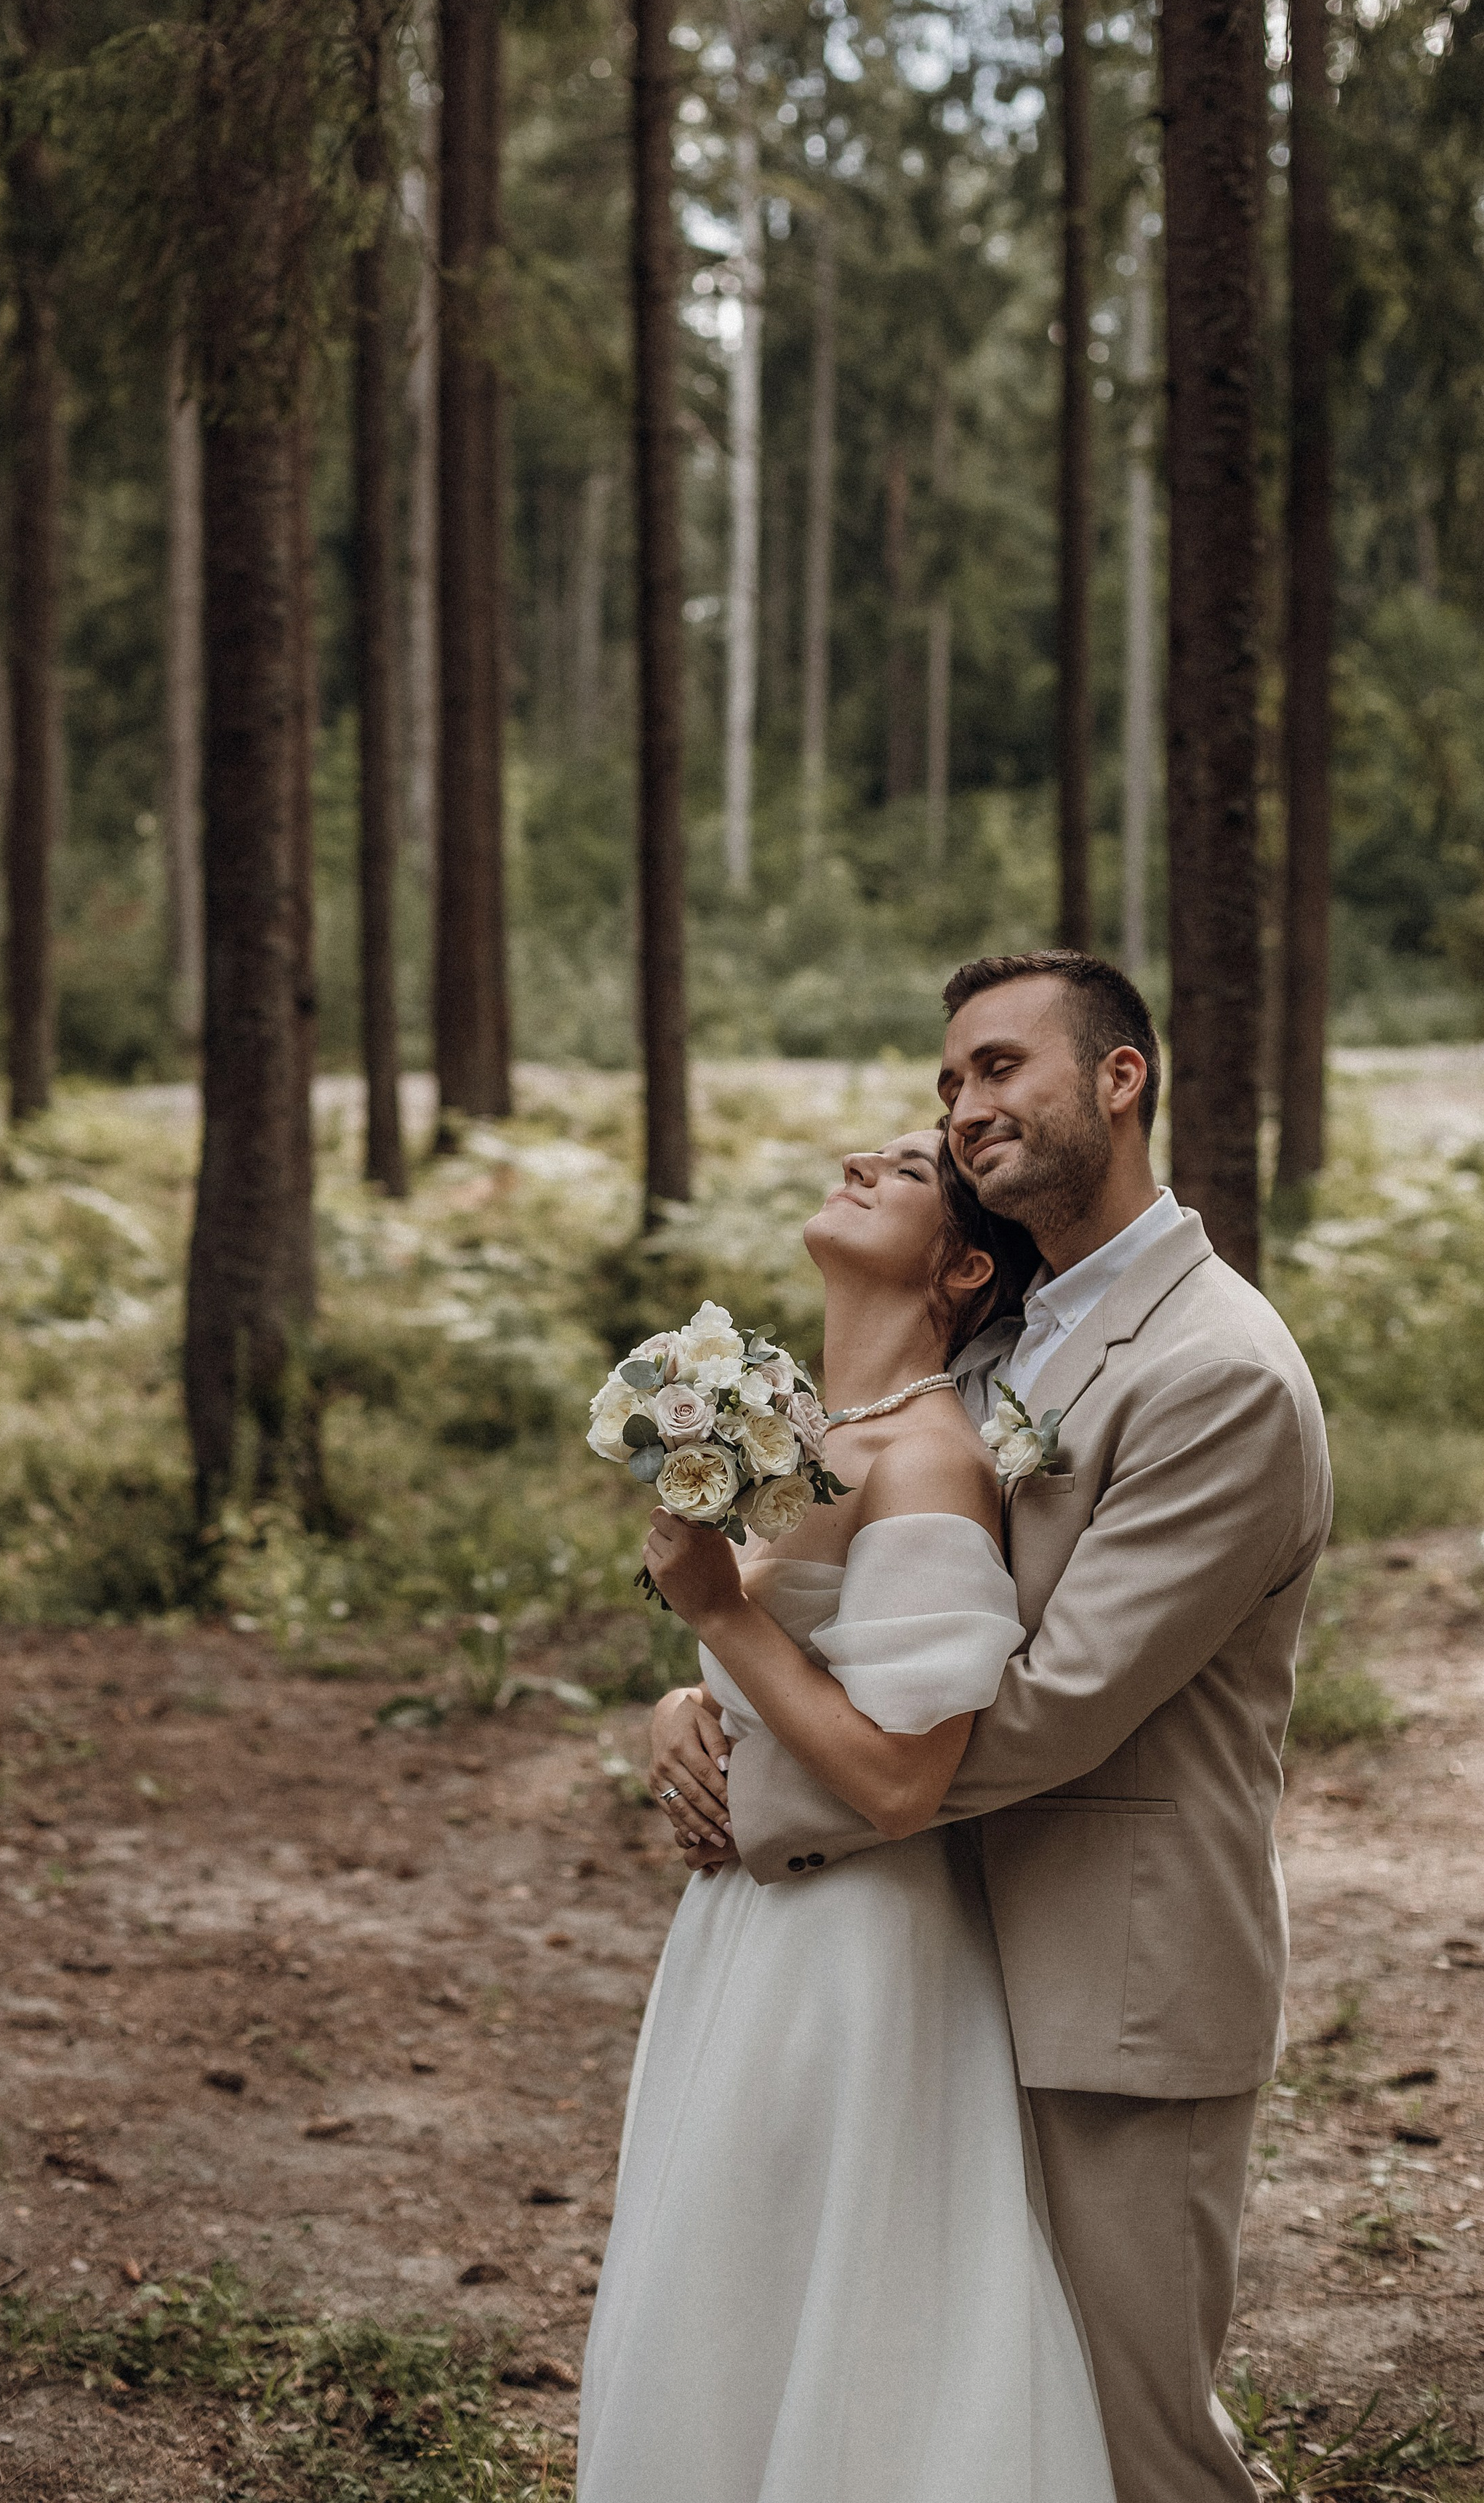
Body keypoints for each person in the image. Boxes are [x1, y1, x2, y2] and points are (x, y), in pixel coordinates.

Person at [653, 950, 1332, 2503]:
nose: (964, 1107)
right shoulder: (982, 1349)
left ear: (1119, 1076)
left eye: (1002, 1066)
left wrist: (761, 1790)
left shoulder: (1214, 1370)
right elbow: (887, 1615)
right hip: (939, 1964)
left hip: (1110, 1983)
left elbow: (1043, 1713)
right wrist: (690, 1702)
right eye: (949, 1079)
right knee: (962, 2429)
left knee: (1132, 2444)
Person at [577, 1126, 1118, 2503]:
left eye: (906, 1168)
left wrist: (708, 1610)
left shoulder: (929, 1460)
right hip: (747, 1928)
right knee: (736, 2286)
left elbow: (900, 1778)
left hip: (856, 1950)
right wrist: (677, 1704)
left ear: (960, 1264)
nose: (856, 1159)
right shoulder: (811, 1435)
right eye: (861, 1150)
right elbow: (785, 1671)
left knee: (839, 2304)